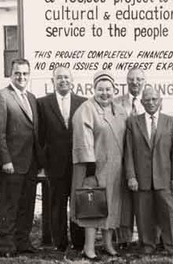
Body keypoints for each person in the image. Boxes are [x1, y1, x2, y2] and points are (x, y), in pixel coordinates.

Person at [70, 71, 129, 260]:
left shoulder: (120, 110)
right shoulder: (86, 109)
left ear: (114, 90)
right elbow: (82, 141)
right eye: (100, 89)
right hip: (94, 167)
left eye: (108, 89)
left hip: (115, 168)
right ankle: (89, 248)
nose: (105, 93)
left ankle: (108, 244)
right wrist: (89, 169)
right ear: (93, 89)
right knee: (92, 207)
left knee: (112, 205)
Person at [0, 58, 43, 257]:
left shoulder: (31, 98)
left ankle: (22, 242)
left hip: (29, 164)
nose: (22, 77)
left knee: (26, 206)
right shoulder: (1, 97)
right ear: (10, 74)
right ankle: (4, 245)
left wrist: (38, 162)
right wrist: (5, 161)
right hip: (11, 164)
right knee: (8, 206)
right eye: (17, 73)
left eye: (25, 73)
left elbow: (34, 133)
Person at [124, 87, 173, 254]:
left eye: (154, 99)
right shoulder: (132, 122)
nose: (151, 102)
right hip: (141, 178)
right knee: (143, 215)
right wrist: (131, 176)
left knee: (168, 215)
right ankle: (147, 246)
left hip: (164, 177)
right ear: (142, 102)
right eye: (147, 99)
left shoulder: (171, 121)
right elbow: (128, 152)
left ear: (160, 101)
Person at [37, 67, 86, 252]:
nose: (63, 80)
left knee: (77, 202)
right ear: (53, 81)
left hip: (78, 163)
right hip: (54, 164)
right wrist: (43, 162)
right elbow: (39, 136)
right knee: (57, 203)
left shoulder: (83, 102)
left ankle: (78, 241)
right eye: (59, 77)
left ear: (72, 80)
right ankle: (60, 242)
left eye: (66, 77)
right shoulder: (42, 103)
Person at [113, 67, 146, 247]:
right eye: (132, 79)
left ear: (144, 81)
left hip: (144, 157)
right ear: (126, 81)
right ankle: (124, 238)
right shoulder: (117, 102)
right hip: (121, 155)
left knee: (144, 198)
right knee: (124, 200)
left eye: (139, 79)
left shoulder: (151, 101)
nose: (135, 83)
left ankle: (146, 237)